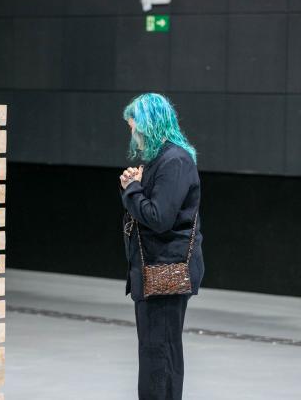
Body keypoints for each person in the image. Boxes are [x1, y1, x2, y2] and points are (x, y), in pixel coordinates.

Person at [119, 93, 204, 400]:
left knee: (160, 356)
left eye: (135, 128)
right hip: (156, 271)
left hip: (166, 273)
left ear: (149, 125)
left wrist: (131, 189)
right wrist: (137, 185)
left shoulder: (174, 161)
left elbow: (159, 218)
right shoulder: (163, 160)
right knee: (155, 353)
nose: (133, 135)